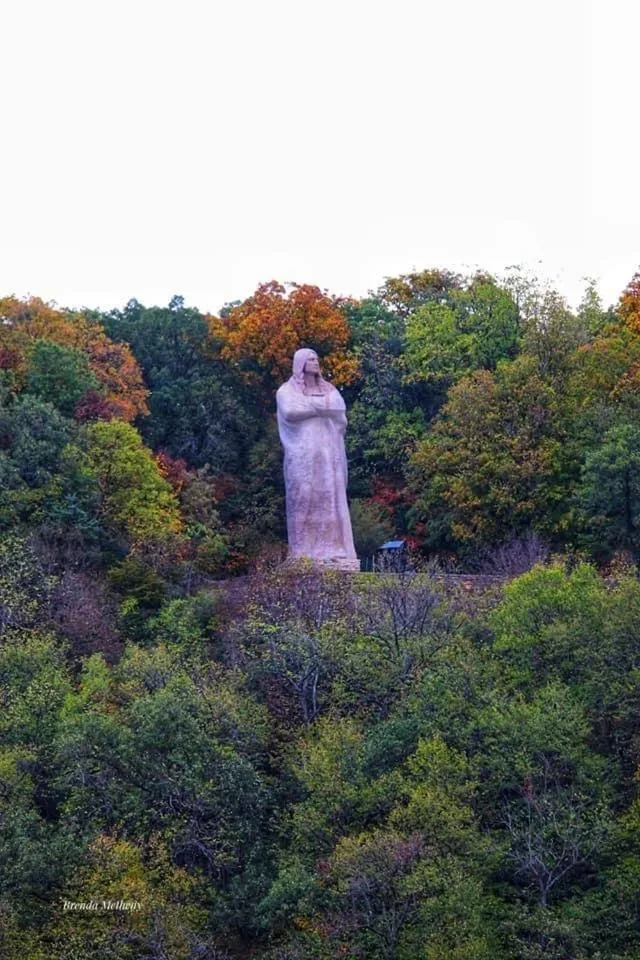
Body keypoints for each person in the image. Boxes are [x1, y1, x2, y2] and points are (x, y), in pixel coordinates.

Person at [276, 348, 359, 569]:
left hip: (328, 452)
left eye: (316, 358)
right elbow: (290, 411)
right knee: (303, 495)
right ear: (300, 363)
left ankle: (333, 550)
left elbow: (340, 409)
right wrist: (322, 408)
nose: (315, 362)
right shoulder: (286, 390)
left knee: (329, 496)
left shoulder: (329, 389)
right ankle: (302, 551)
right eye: (310, 359)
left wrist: (313, 408)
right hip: (302, 453)